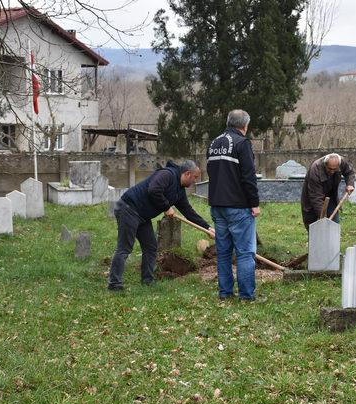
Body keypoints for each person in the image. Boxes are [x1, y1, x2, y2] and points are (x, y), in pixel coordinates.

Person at [107, 160, 214, 291]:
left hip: (142, 216)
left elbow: (188, 211)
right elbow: (154, 189)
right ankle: (114, 284)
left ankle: (147, 280)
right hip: (129, 208)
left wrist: (207, 228)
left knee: (150, 247)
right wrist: (166, 207)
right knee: (125, 248)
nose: (195, 181)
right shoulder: (167, 175)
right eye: (195, 177)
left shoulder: (179, 192)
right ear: (187, 174)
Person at [206, 109, 260, 301]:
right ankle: (246, 295)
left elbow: (211, 172)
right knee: (245, 253)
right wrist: (254, 203)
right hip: (238, 206)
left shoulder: (214, 143)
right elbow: (248, 176)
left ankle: (225, 293)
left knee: (223, 253)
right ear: (245, 125)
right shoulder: (242, 143)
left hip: (217, 205)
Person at [300, 153, 355, 229]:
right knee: (314, 227)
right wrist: (323, 217)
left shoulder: (341, 162)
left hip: (330, 195)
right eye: (329, 169)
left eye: (334, 169)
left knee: (334, 224)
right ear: (325, 164)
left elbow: (349, 172)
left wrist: (350, 184)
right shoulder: (315, 168)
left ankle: (332, 239)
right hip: (313, 197)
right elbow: (316, 197)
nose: (332, 171)